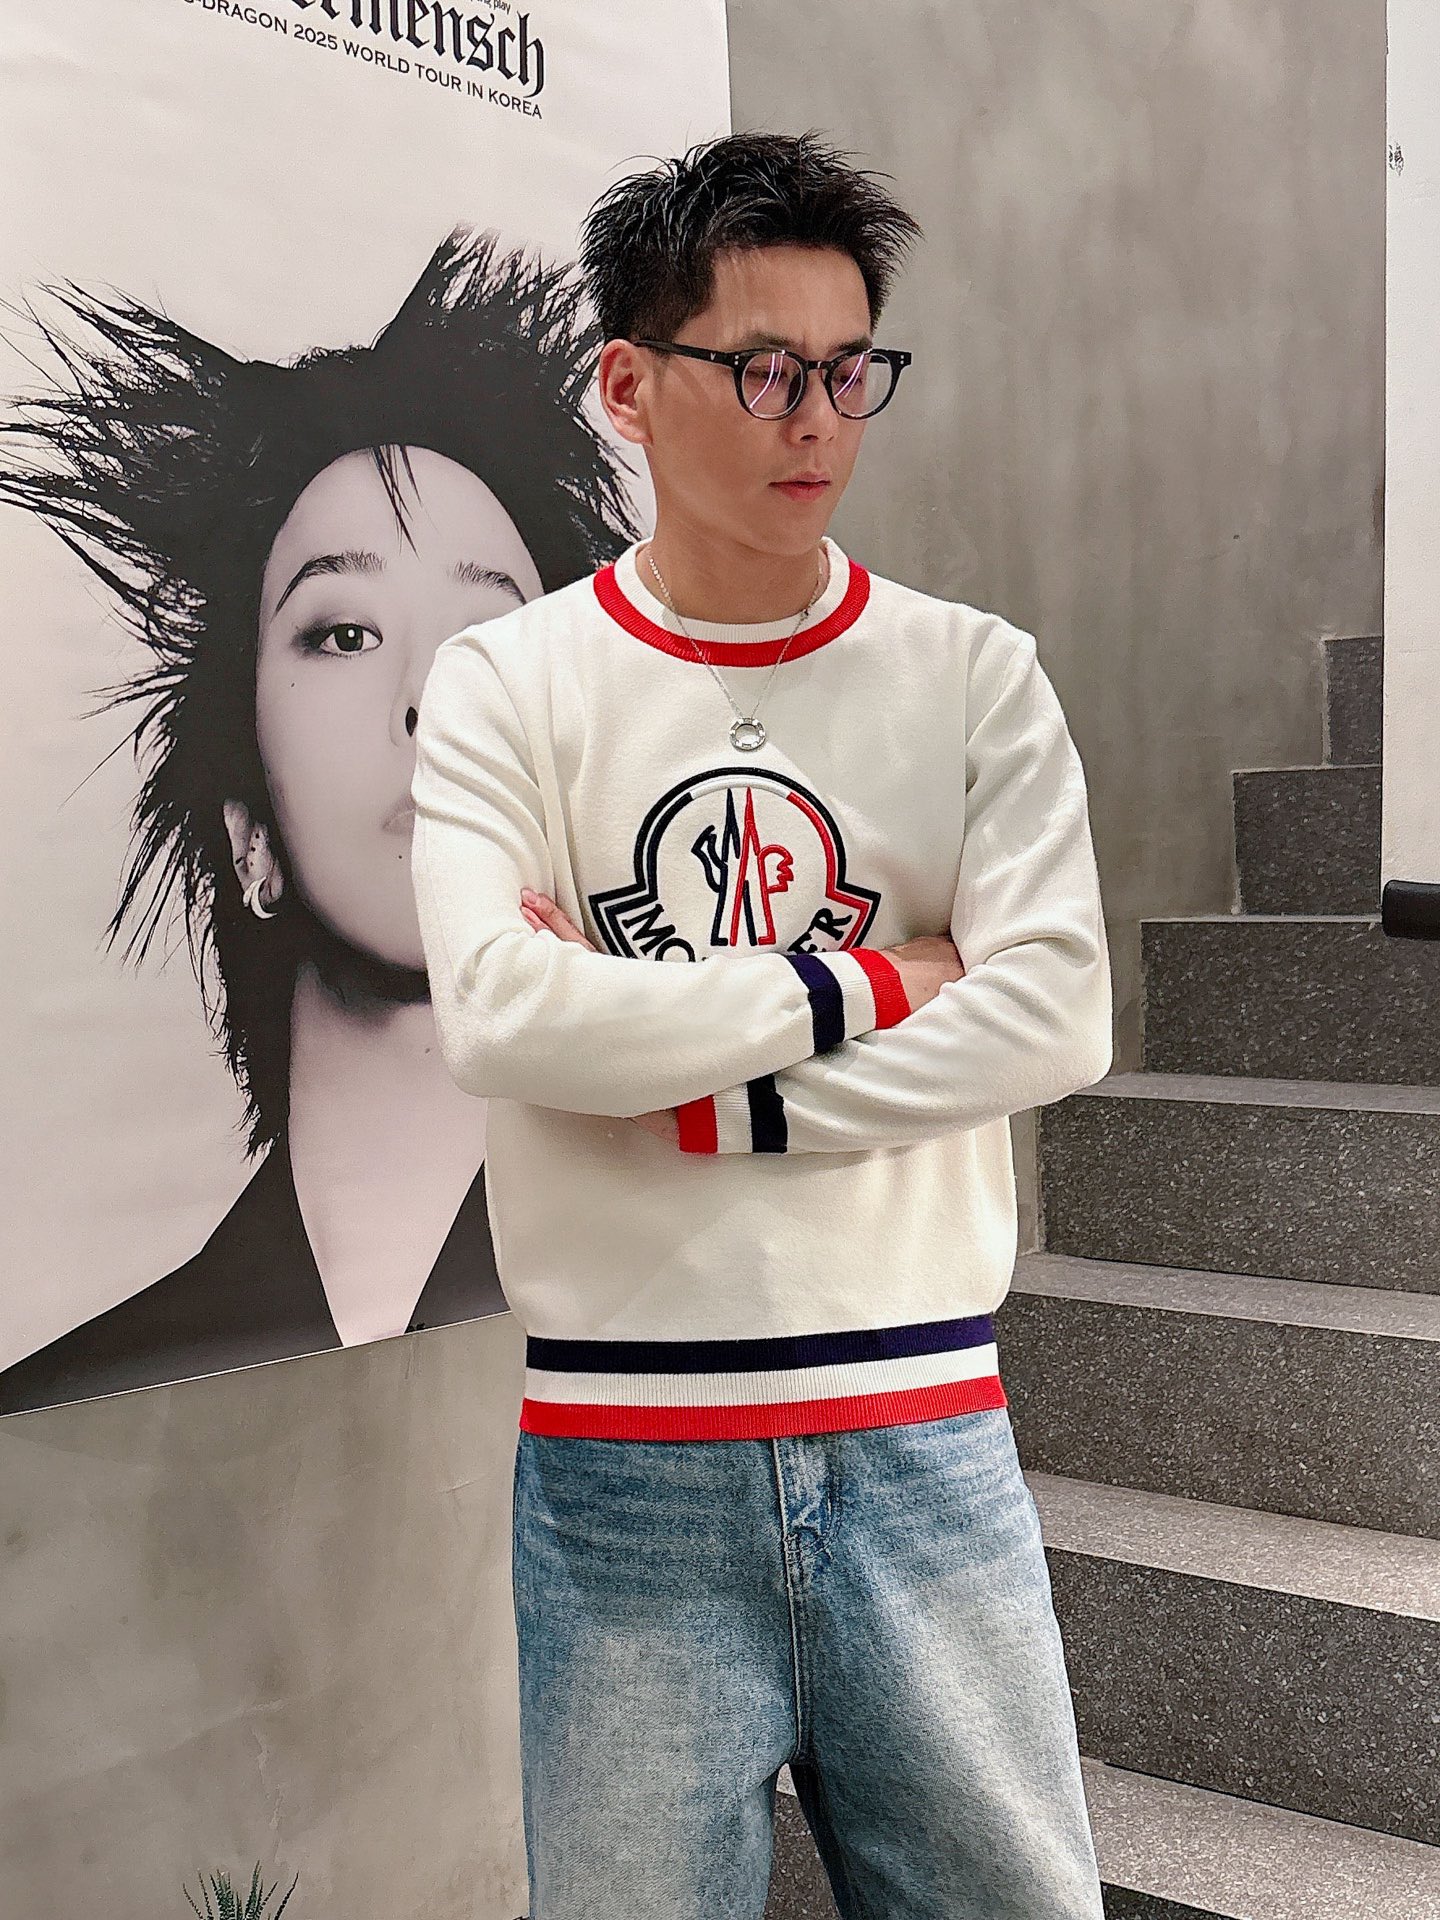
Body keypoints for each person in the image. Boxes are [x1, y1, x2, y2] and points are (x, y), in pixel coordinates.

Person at [410, 133, 1114, 1918]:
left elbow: (1054, 1015)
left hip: (925, 1431)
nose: (818, 421)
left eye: (851, 371)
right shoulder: (512, 681)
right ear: (628, 386)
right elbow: (502, 1014)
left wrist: (707, 1088)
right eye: (765, 371)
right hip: (624, 1459)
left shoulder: (973, 676)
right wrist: (870, 980)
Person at [0, 227, 637, 1416]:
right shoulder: (74, 1411)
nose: (430, 695)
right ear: (248, 834)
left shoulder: (698, 1293)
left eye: (491, 638)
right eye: (343, 633)